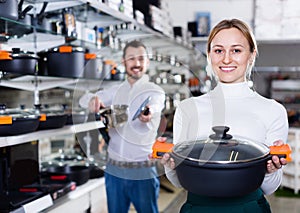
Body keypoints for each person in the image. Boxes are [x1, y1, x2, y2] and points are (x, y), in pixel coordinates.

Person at [161, 18, 289, 212]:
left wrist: (271, 169)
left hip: (249, 208)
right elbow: (180, 182)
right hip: (198, 208)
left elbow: (269, 187)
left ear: (252, 55)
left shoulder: (273, 110)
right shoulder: (188, 108)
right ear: (209, 55)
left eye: (236, 50)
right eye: (218, 50)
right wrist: (170, 165)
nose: (226, 59)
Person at [79, 40, 165, 213]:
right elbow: (82, 99)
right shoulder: (115, 91)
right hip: (114, 170)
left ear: (147, 62)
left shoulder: (155, 91)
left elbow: (155, 106)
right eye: (131, 58)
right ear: (124, 62)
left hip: (142, 170)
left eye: (141, 59)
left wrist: (149, 113)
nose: (137, 64)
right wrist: (92, 100)